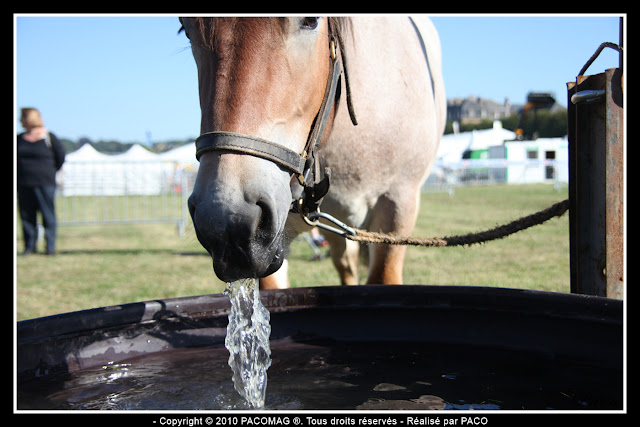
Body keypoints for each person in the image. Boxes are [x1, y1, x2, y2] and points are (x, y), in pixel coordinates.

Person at [17, 108, 66, 255]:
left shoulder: (49, 137)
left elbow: (60, 157)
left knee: (48, 215)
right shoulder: (19, 138)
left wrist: (50, 172)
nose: (20, 121)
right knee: (27, 216)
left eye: (23, 117)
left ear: (30, 118)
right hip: (24, 183)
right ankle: (29, 247)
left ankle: (50, 246)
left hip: (45, 182)